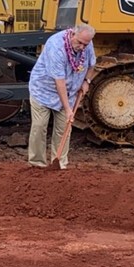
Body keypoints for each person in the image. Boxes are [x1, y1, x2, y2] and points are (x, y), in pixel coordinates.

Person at [27, 24, 96, 169]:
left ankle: (59, 162)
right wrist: (68, 109)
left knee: (64, 127)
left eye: (86, 44)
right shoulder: (56, 46)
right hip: (44, 90)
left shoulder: (86, 43)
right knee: (40, 126)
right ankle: (37, 163)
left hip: (70, 92)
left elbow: (91, 64)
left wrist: (86, 81)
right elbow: (60, 83)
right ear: (72, 35)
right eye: (80, 43)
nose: (83, 47)